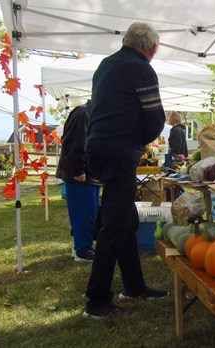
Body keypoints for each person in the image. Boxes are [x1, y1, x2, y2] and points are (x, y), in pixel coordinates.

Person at [83, 22, 169, 319]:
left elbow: (97, 108)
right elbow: (155, 117)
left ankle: (134, 285)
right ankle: (97, 301)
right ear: (151, 47)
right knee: (114, 225)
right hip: (119, 152)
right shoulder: (142, 68)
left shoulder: (105, 65)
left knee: (125, 220)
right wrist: (140, 140)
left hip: (98, 149)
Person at [55, 101, 99, 262]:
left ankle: (82, 246)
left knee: (89, 213)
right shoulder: (82, 114)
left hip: (90, 176)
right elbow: (73, 143)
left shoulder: (91, 115)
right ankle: (82, 250)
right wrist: (78, 169)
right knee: (83, 213)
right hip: (81, 175)